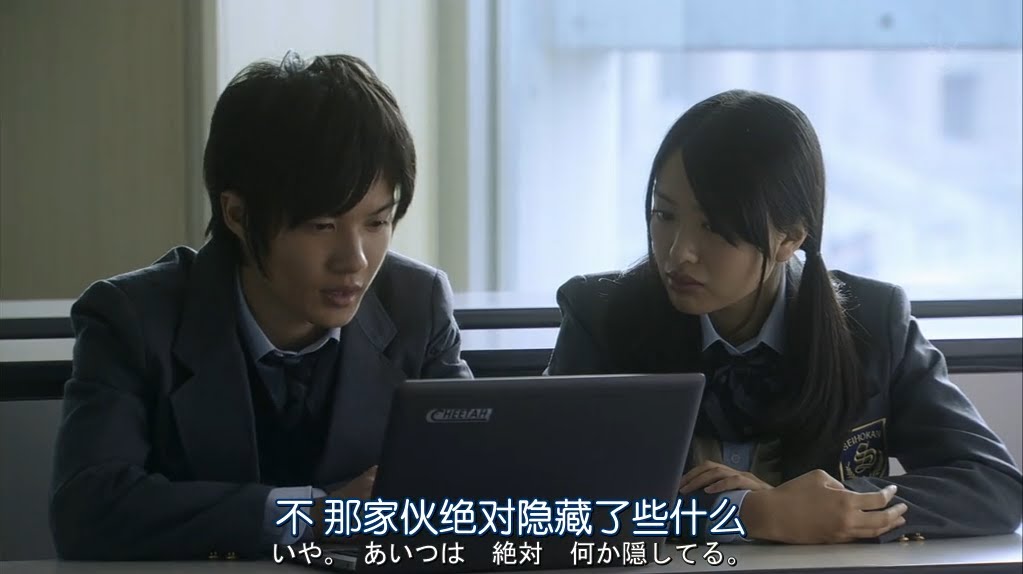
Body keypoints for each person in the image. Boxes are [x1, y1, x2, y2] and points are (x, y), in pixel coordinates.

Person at [546, 89, 1022, 544]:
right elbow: (538, 497)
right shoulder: (600, 316)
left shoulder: (874, 324)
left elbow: (993, 485)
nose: (678, 253)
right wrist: (749, 513)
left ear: (790, 238)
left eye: (714, 226)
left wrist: (842, 507)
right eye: (664, 215)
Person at [49, 52, 472, 560]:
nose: (354, 260)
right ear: (237, 214)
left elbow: (477, 477)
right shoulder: (134, 319)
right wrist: (313, 515)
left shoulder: (416, 306)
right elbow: (88, 509)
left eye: (377, 223)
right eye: (321, 225)